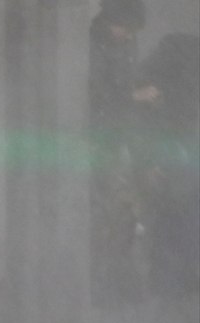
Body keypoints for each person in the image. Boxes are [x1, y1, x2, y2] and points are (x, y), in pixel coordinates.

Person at [88, 0, 151, 306]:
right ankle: (111, 291)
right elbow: (100, 97)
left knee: (126, 215)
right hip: (105, 142)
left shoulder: (124, 42)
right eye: (124, 28)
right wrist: (135, 97)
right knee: (112, 217)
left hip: (123, 140)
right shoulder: (95, 44)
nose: (127, 35)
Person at [131, 32, 200, 298]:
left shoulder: (173, 61)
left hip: (179, 147)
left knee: (179, 214)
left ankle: (175, 280)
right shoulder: (175, 59)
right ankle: (171, 280)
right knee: (174, 213)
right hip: (171, 148)